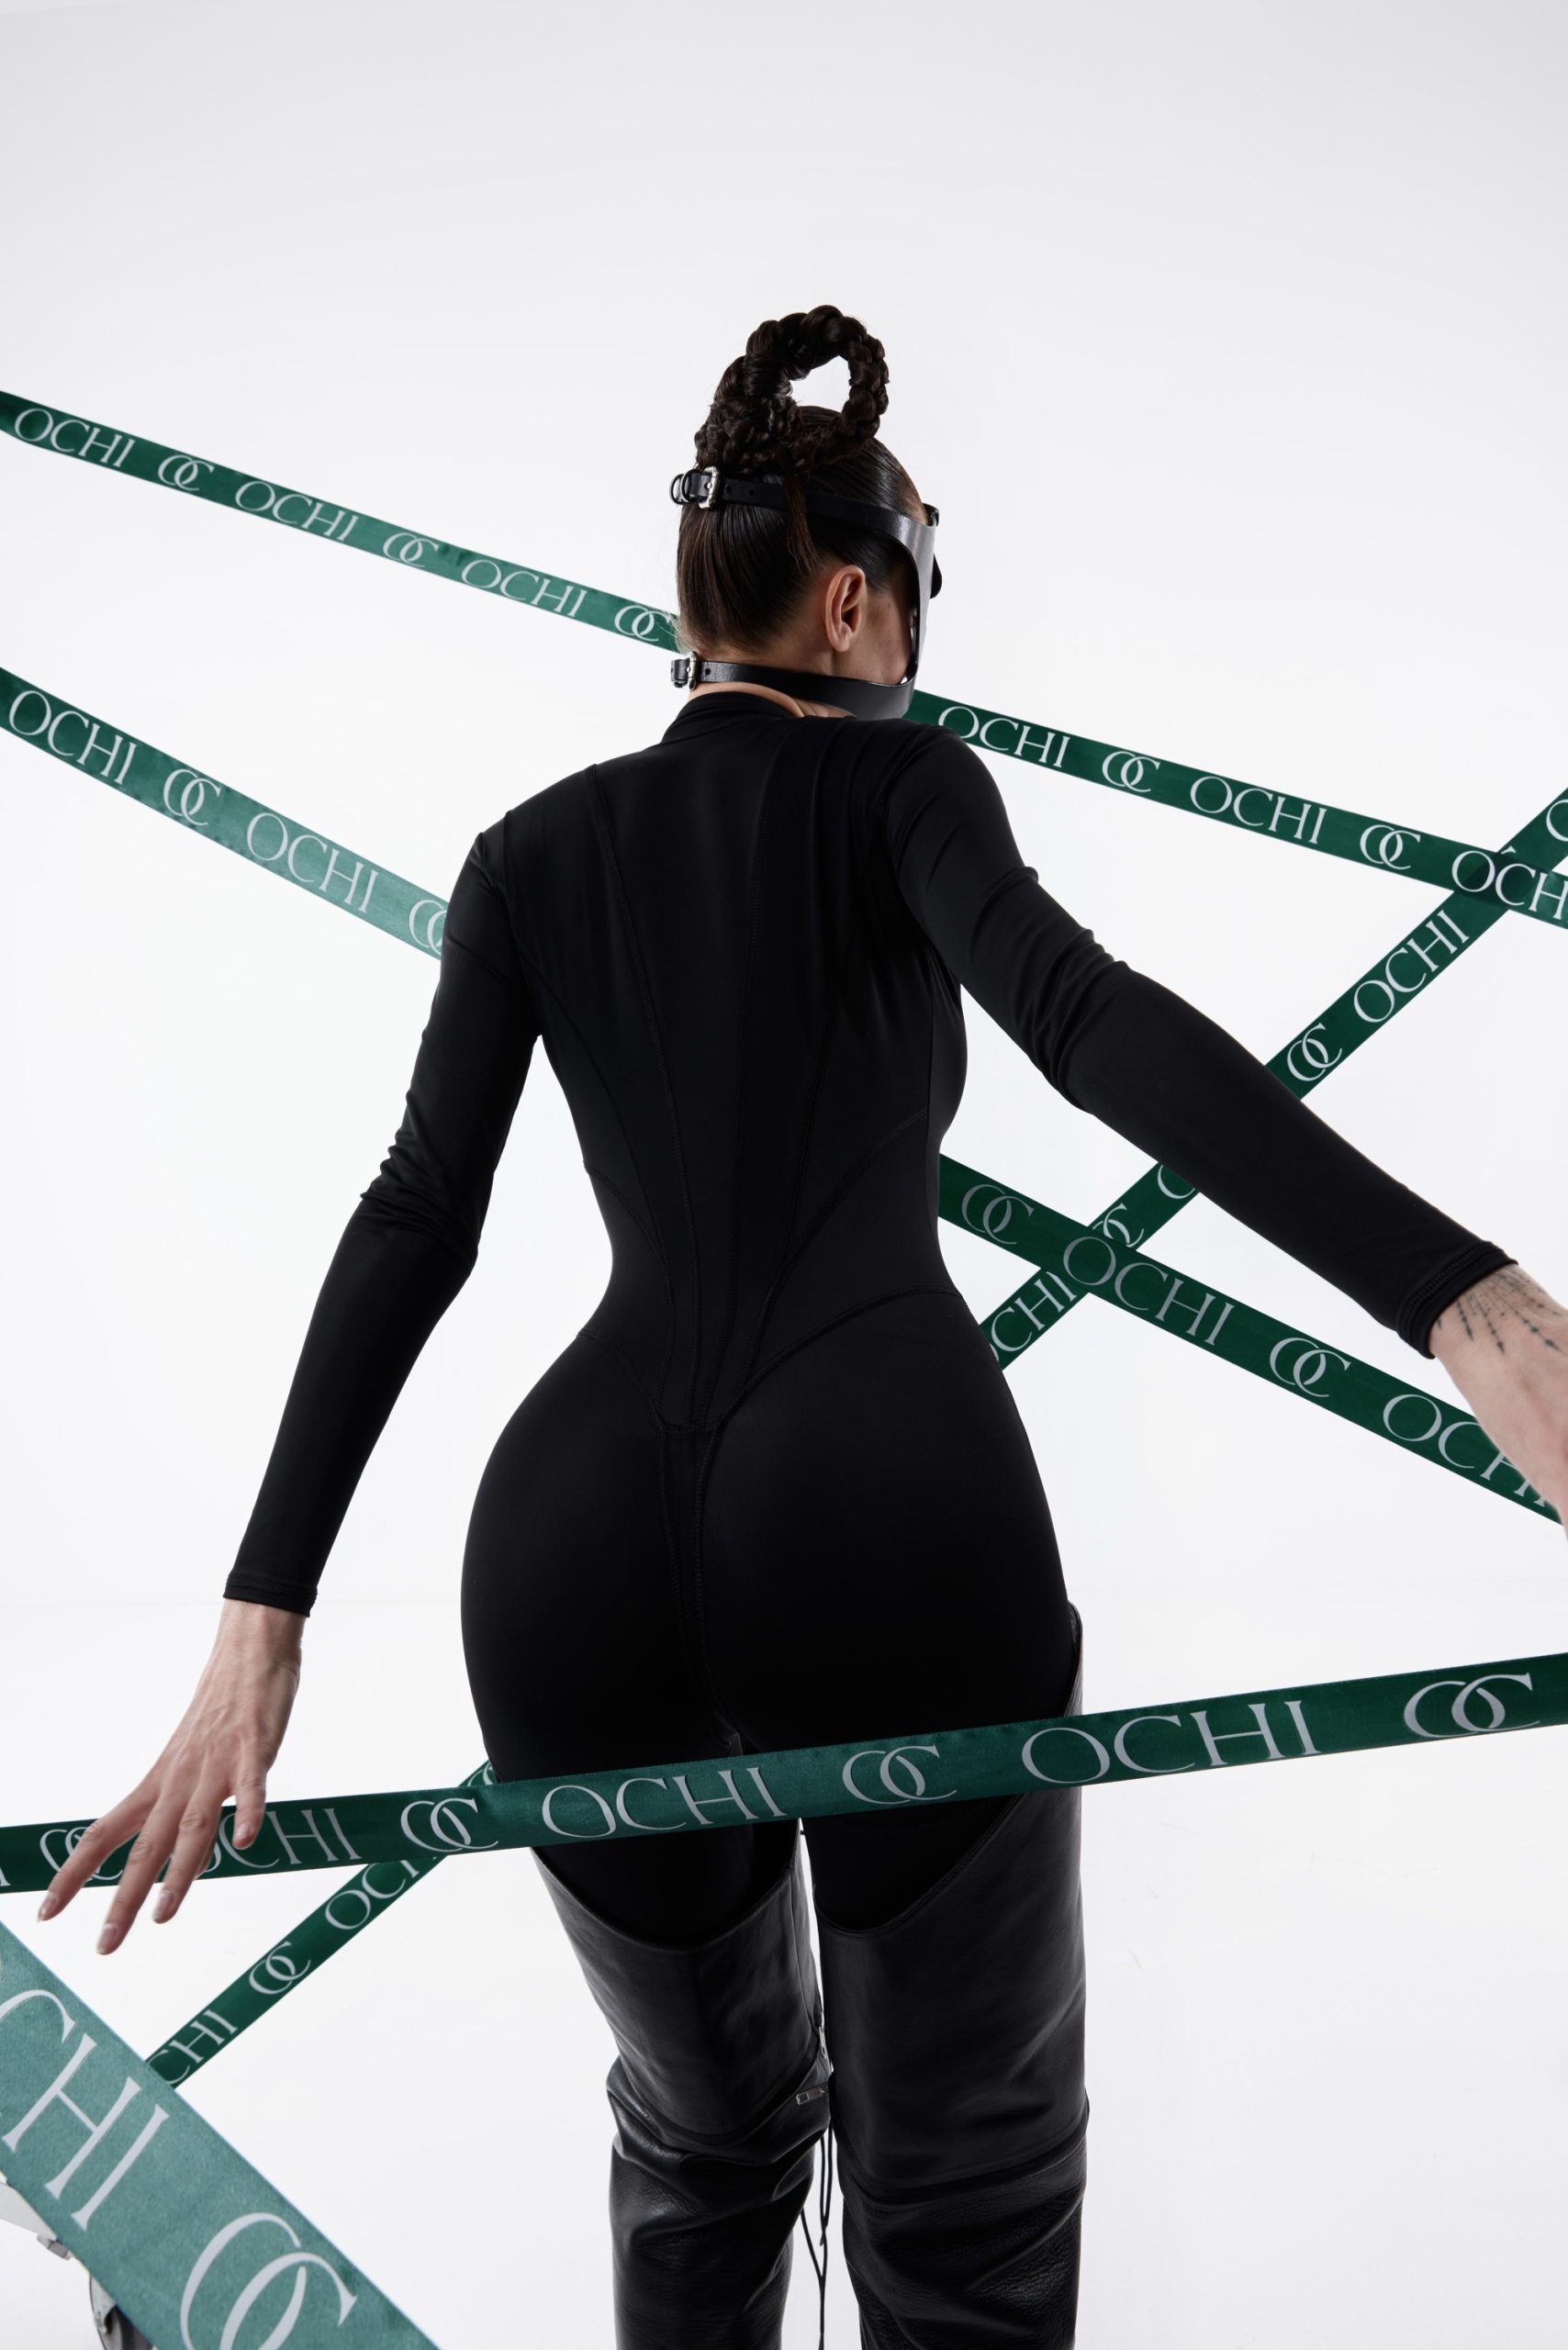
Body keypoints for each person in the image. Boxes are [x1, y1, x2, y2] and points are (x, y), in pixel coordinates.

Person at [37, 305, 1568, 2350]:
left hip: (570, 1557)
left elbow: (417, 1214)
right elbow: (1082, 1016)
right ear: (853, 601)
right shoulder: (901, 784)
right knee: (965, 2201)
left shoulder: (528, 853)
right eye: (920, 600)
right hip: (881, 1511)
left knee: (705, 2148)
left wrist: (262, 1616)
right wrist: (1459, 1297)